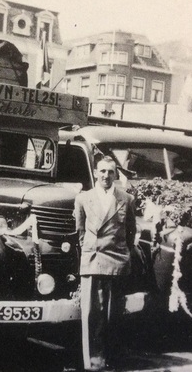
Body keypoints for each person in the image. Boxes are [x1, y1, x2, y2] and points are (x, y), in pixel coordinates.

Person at [74, 156, 137, 371]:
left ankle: (112, 357)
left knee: (113, 313)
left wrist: (123, 252)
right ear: (95, 173)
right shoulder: (84, 198)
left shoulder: (126, 199)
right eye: (102, 171)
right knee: (93, 312)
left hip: (117, 259)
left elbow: (130, 232)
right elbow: (80, 231)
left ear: (116, 174)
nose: (106, 176)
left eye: (110, 172)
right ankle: (94, 359)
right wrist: (91, 247)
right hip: (93, 258)